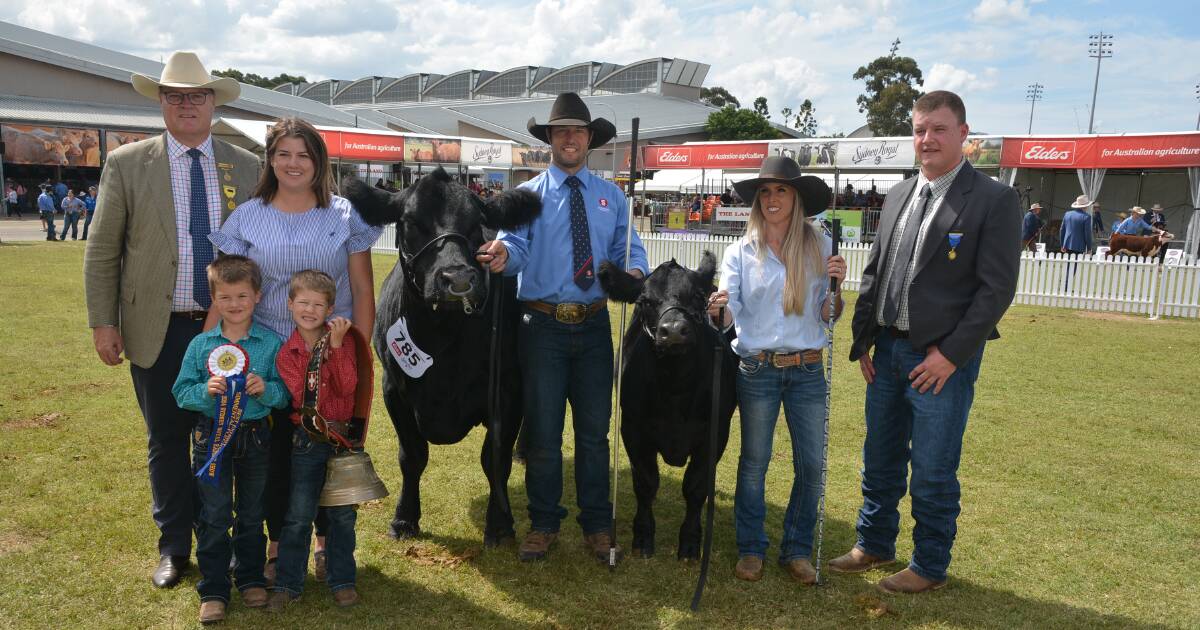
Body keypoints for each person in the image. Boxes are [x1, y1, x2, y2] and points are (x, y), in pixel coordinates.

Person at [83, 51, 261, 589]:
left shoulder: (247, 165)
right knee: (166, 439)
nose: (187, 104)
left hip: (227, 329)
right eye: (176, 96)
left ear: (213, 103)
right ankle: (173, 545)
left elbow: (259, 248)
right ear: (161, 102)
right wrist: (103, 322)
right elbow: (102, 250)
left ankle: (222, 542)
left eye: (198, 95)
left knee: (228, 437)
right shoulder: (127, 163)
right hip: (155, 329)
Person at [834, 90, 1021, 594]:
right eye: (920, 129)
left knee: (934, 469)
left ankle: (929, 566)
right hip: (888, 351)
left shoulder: (994, 199)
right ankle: (873, 542)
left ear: (963, 134)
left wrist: (951, 356)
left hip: (939, 360)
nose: (927, 138)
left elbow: (996, 290)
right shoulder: (897, 194)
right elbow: (874, 275)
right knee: (880, 457)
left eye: (939, 128)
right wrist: (864, 342)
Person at [477, 92, 649, 563]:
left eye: (578, 130)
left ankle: (596, 523)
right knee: (545, 433)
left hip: (594, 328)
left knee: (594, 433)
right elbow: (515, 246)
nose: (570, 138)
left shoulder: (612, 197)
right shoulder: (528, 196)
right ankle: (544, 522)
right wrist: (502, 255)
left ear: (590, 139)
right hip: (542, 328)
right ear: (550, 139)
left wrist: (634, 272)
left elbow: (628, 249)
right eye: (561, 131)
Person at [209, 116, 381, 583]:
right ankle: (278, 545)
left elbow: (363, 291)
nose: (293, 163)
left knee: (329, 451)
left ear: (318, 161)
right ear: (270, 160)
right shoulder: (247, 215)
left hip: (332, 357)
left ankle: (326, 546)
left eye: (304, 154)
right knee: (276, 460)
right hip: (268, 358)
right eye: (283, 153)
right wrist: (210, 348)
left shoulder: (345, 214)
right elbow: (227, 291)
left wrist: (360, 358)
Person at [704, 156, 846, 584]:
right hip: (757, 368)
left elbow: (828, 313)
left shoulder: (821, 246)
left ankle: (798, 549)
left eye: (781, 190)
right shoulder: (741, 250)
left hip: (807, 369)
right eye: (765, 192)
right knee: (754, 463)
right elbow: (732, 316)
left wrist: (838, 291)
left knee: (811, 464)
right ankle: (751, 548)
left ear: (796, 197)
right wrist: (719, 310)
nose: (771, 199)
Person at [171, 255, 287, 624]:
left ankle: (251, 577)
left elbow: (285, 394)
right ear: (214, 300)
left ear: (257, 296)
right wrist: (205, 391)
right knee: (215, 515)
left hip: (255, 439)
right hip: (210, 440)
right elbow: (180, 392)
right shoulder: (201, 346)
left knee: (252, 513)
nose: (234, 304)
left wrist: (265, 389)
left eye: (241, 296)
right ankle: (215, 588)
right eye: (225, 297)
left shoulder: (271, 343)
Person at [270, 270, 361, 609]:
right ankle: (288, 584)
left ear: (330, 308)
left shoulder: (345, 341)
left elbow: (348, 387)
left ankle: (342, 579)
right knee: (298, 514)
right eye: (303, 302)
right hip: (308, 439)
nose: (310, 310)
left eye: (318, 304)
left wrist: (335, 348)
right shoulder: (288, 353)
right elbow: (306, 398)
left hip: (343, 441)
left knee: (342, 516)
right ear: (290, 304)